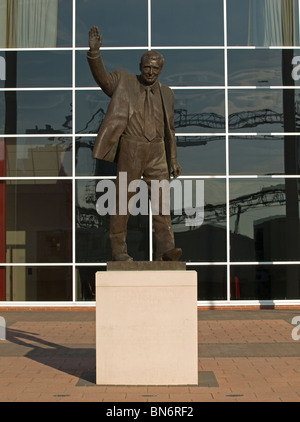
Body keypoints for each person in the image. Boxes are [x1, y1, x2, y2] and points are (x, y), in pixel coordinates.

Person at [87, 26, 182, 261]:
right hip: (131, 148)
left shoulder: (167, 93)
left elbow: (170, 129)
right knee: (123, 200)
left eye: (155, 68)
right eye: (147, 67)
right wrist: (94, 54)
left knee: (161, 202)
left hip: (157, 151)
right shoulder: (124, 81)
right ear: (140, 67)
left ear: (161, 70)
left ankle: (165, 250)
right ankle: (119, 249)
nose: (150, 72)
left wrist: (172, 159)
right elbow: (103, 80)